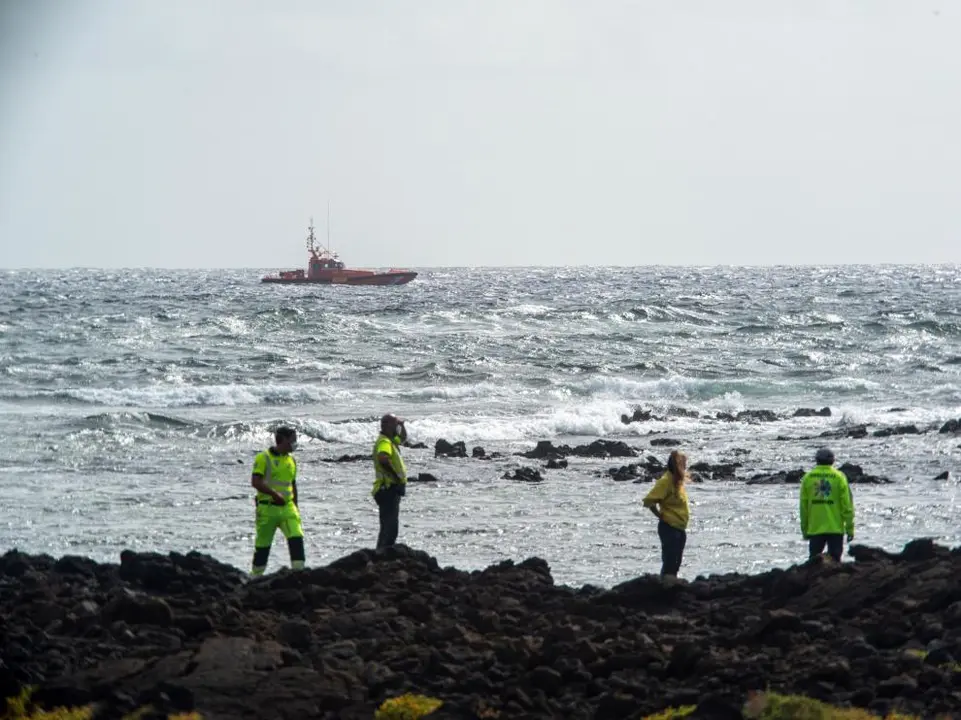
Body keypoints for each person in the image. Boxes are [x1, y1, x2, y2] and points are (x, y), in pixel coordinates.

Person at [249, 426, 305, 576]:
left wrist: (296, 506)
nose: (295, 443)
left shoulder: (291, 460)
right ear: (284, 440)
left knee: (296, 539)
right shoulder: (264, 458)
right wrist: (274, 494)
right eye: (293, 440)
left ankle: (299, 575)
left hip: (288, 508)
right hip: (267, 508)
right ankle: (254, 578)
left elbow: (292, 484)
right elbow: (256, 482)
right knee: (263, 546)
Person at [800, 447, 855, 562]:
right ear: (833, 461)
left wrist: (805, 530)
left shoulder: (808, 478)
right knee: (835, 563)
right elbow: (847, 506)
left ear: (817, 460)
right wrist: (850, 528)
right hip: (835, 528)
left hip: (815, 528)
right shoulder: (839, 477)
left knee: (814, 563)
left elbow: (803, 507)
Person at [642, 450, 691, 577]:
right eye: (684, 464)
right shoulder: (666, 480)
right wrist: (659, 515)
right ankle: (665, 588)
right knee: (670, 563)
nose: (686, 467)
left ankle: (672, 587)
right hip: (669, 527)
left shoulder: (677, 482)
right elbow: (649, 501)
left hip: (680, 527)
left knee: (676, 563)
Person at [372, 414, 408, 549]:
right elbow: (383, 458)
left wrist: (402, 425)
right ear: (386, 426)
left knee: (388, 527)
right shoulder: (384, 442)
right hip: (387, 488)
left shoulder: (391, 440)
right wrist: (397, 478)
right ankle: (382, 556)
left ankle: (380, 555)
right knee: (390, 529)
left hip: (389, 488)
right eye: (394, 425)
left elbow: (403, 439)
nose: (396, 427)